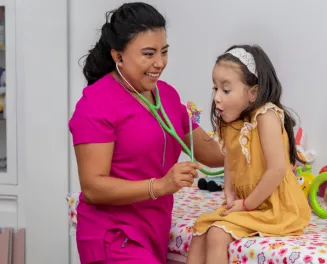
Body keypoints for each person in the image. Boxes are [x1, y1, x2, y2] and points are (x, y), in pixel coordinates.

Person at [68, 2, 224, 264]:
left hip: (154, 230)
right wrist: (161, 185)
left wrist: (261, 145)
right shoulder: (95, 104)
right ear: (118, 56)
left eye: (164, 52)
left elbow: (209, 151)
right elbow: (93, 187)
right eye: (149, 54)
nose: (160, 63)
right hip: (112, 235)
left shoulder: (167, 96)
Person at [186, 45, 311, 264]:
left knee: (217, 234)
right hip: (249, 203)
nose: (216, 97)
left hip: (277, 206)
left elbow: (277, 169)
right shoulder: (231, 122)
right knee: (200, 230)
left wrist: (245, 205)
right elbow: (231, 160)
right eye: (215, 88)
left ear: (253, 93)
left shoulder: (266, 117)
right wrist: (229, 192)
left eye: (225, 90)